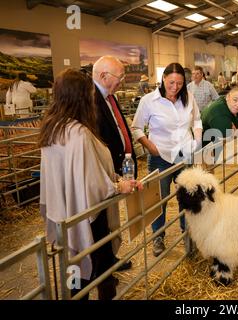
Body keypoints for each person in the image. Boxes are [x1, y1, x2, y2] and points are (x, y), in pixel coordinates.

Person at [38, 68, 142, 300]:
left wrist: (114, 178)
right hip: (88, 213)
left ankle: (76, 296)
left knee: (72, 263)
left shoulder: (52, 128)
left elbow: (82, 170)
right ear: (82, 97)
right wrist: (118, 187)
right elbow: (93, 184)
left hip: (63, 212)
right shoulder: (79, 133)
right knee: (102, 264)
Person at [131, 63, 202, 257]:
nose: (175, 87)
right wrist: (149, 145)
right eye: (171, 82)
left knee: (186, 196)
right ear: (163, 79)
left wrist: (197, 139)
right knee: (159, 199)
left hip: (184, 155)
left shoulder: (188, 98)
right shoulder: (148, 101)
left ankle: (187, 233)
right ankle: (158, 236)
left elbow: (197, 120)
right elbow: (136, 128)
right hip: (159, 157)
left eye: (179, 83)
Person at [92, 55, 137, 271]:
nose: (122, 81)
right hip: (103, 173)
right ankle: (103, 266)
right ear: (103, 76)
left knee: (112, 218)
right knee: (103, 220)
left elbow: (119, 127)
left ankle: (109, 257)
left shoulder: (110, 96)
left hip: (116, 170)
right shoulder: (91, 99)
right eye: (119, 77)